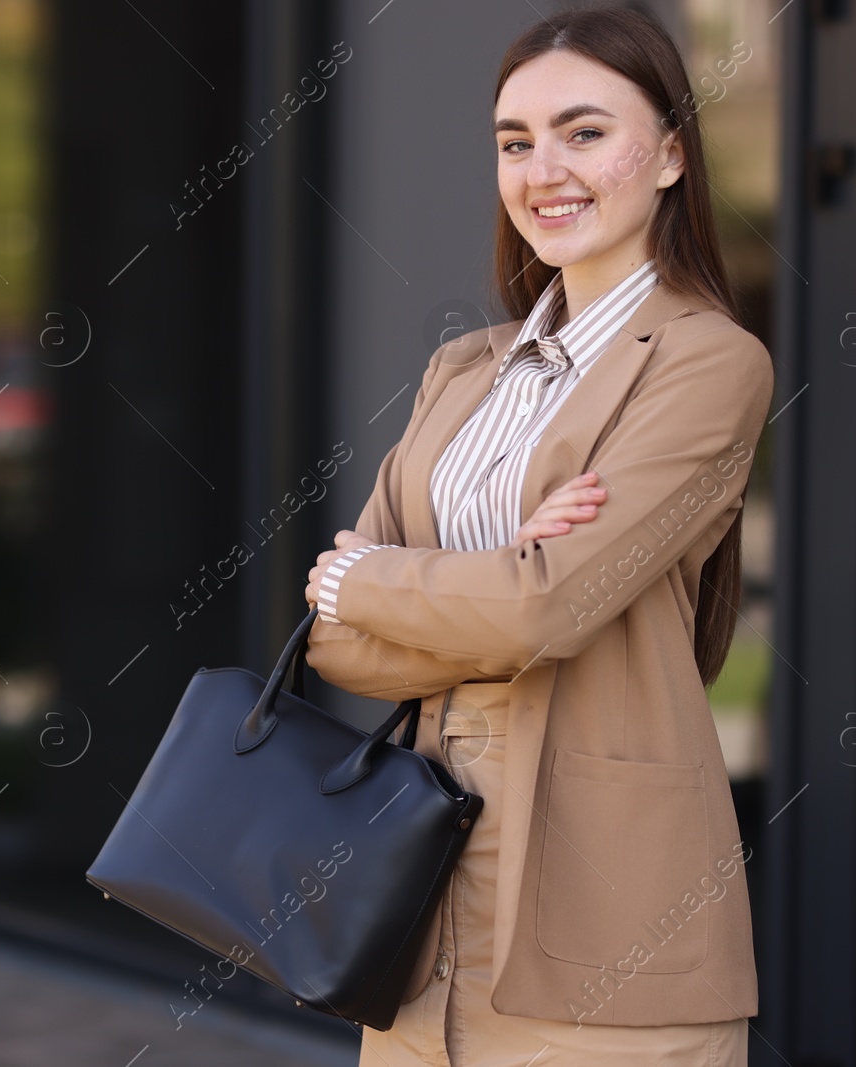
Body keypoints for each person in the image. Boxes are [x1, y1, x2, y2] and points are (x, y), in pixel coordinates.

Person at [303, 6, 773, 1065]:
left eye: (584, 131)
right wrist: (485, 580)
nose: (542, 169)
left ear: (669, 155)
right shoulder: (462, 370)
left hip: (606, 917)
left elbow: (543, 605)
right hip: (419, 906)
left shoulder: (707, 362)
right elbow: (338, 639)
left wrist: (376, 576)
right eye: (516, 141)